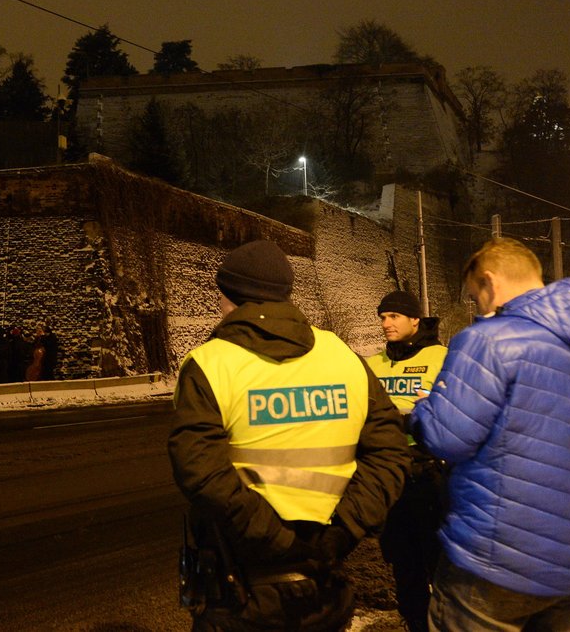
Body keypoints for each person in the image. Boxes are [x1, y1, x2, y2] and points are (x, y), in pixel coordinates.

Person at [168, 240, 410, 632]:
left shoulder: (210, 364)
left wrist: (276, 541)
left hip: (242, 586)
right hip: (325, 581)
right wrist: (344, 530)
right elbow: (391, 454)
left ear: (229, 296)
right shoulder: (343, 357)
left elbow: (200, 471)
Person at [410, 237, 570, 631]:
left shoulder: (488, 339)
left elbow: (447, 438)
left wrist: (424, 410)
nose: (476, 306)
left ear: (490, 282)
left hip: (496, 562)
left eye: (472, 295)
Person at [364, 291, 447, 632]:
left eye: (394, 316)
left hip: (431, 473)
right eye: (382, 317)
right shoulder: (372, 363)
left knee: (441, 565)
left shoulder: (442, 356)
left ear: (415, 319)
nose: (386, 324)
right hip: (388, 475)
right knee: (403, 564)